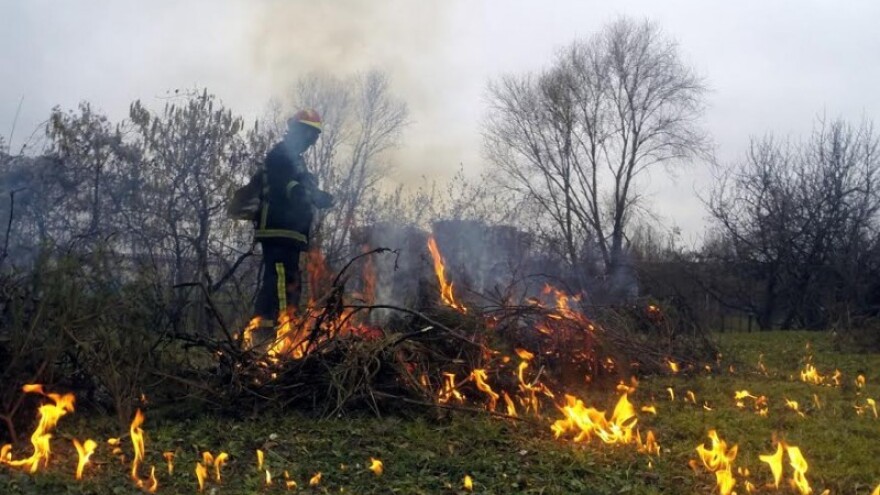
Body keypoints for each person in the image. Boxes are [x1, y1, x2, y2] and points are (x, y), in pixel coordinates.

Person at [230, 109, 334, 336]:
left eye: (315, 137)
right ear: (299, 132)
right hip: (277, 228)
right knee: (279, 279)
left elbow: (303, 188)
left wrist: (319, 196)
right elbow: (285, 185)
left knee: (291, 279)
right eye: (310, 135)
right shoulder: (279, 154)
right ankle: (275, 329)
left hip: (293, 233)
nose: (312, 142)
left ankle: (284, 325)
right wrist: (306, 194)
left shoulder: (296, 161)